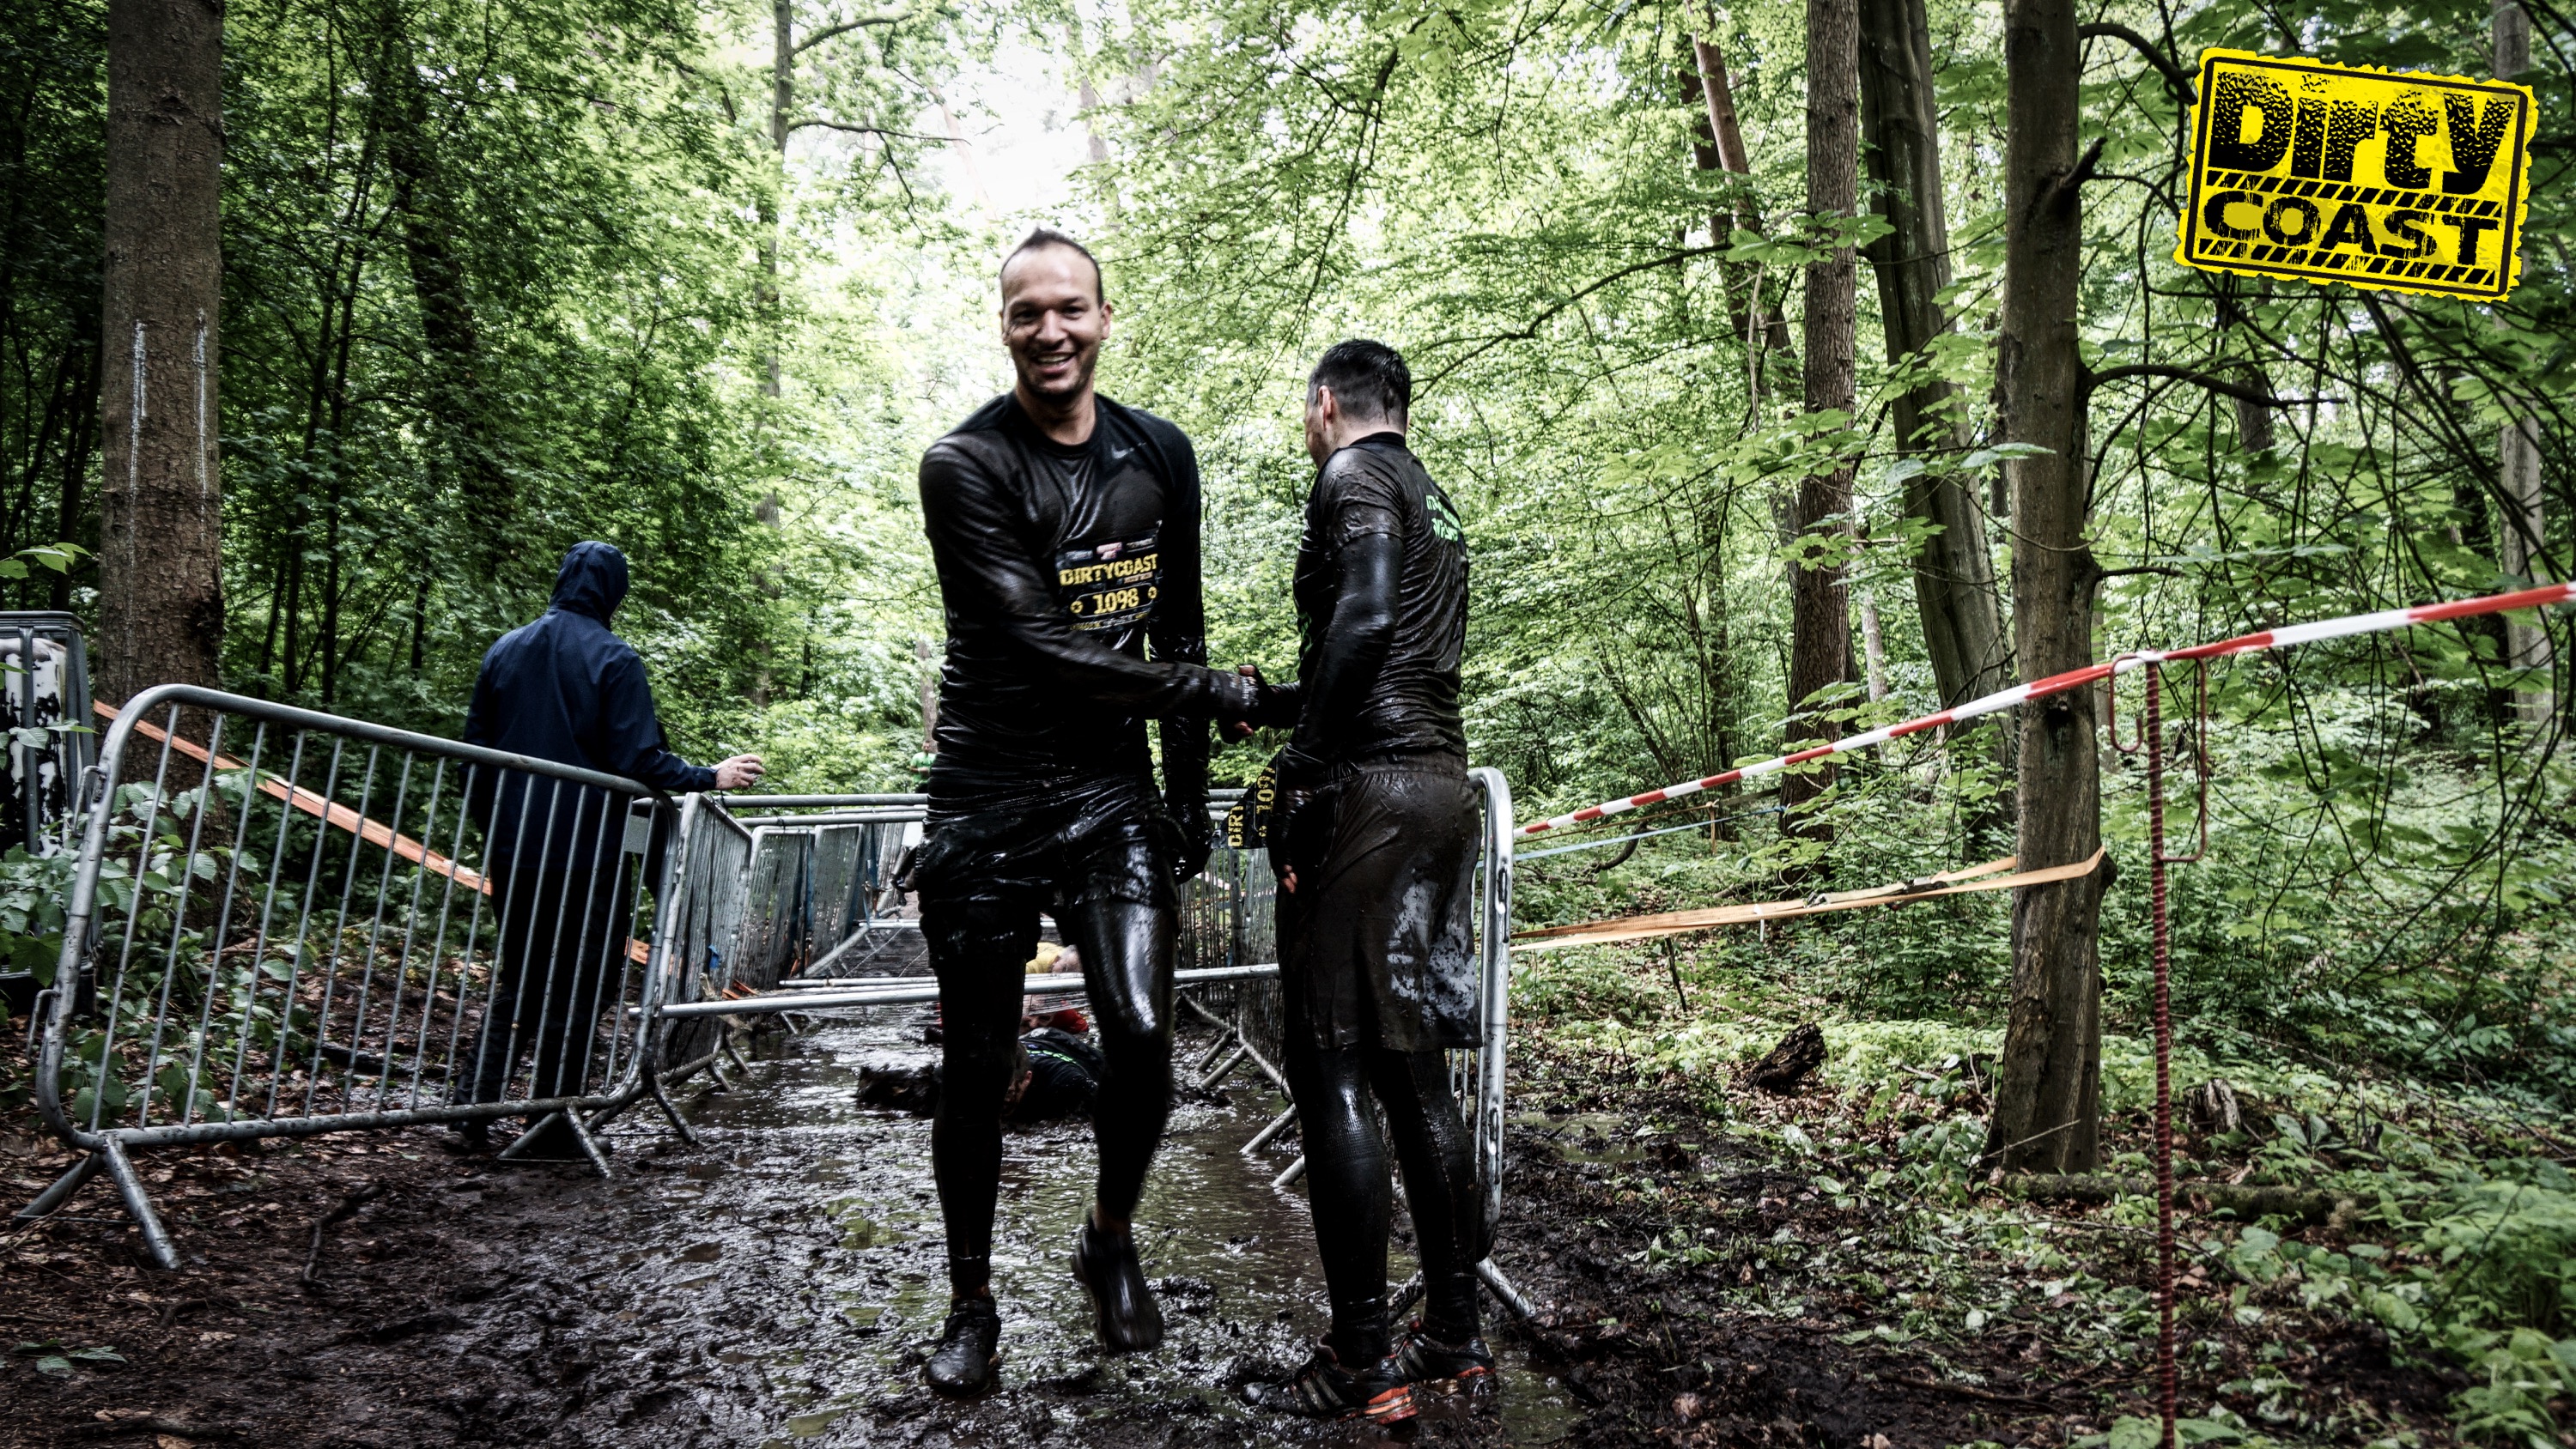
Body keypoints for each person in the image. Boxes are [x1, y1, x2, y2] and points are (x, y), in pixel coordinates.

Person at [908, 228, 1262, 1396]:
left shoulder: (1160, 452)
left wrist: (1185, 797)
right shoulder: (964, 465)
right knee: (978, 1064)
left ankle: (1109, 1238)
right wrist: (1214, 695)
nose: (1051, 331)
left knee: (1144, 1035)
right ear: (1005, 328)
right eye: (1028, 313)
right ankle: (971, 1302)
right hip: (986, 795)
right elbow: (1043, 646)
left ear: (1105, 318)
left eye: (1071, 308)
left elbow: (1179, 628)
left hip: (1110, 792)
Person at [1239, 341, 1490, 1423]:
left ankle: (1361, 1353)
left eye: (1309, 413)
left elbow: (1370, 616)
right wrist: (1277, 703)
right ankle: (1455, 1332)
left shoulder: (1352, 472)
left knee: (1330, 1063)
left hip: (1371, 797)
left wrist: (1300, 767)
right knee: (1413, 1073)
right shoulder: (1432, 492)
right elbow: (1392, 650)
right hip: (1438, 786)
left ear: (1325, 403)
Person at [454, 542, 764, 1158]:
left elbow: (474, 757)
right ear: (613, 592)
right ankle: (551, 1120)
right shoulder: (613, 658)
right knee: (585, 980)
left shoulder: (505, 650)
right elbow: (637, 757)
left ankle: (472, 1109)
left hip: (515, 849)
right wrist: (710, 775)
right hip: (586, 849)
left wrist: (496, 828)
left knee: (523, 974)